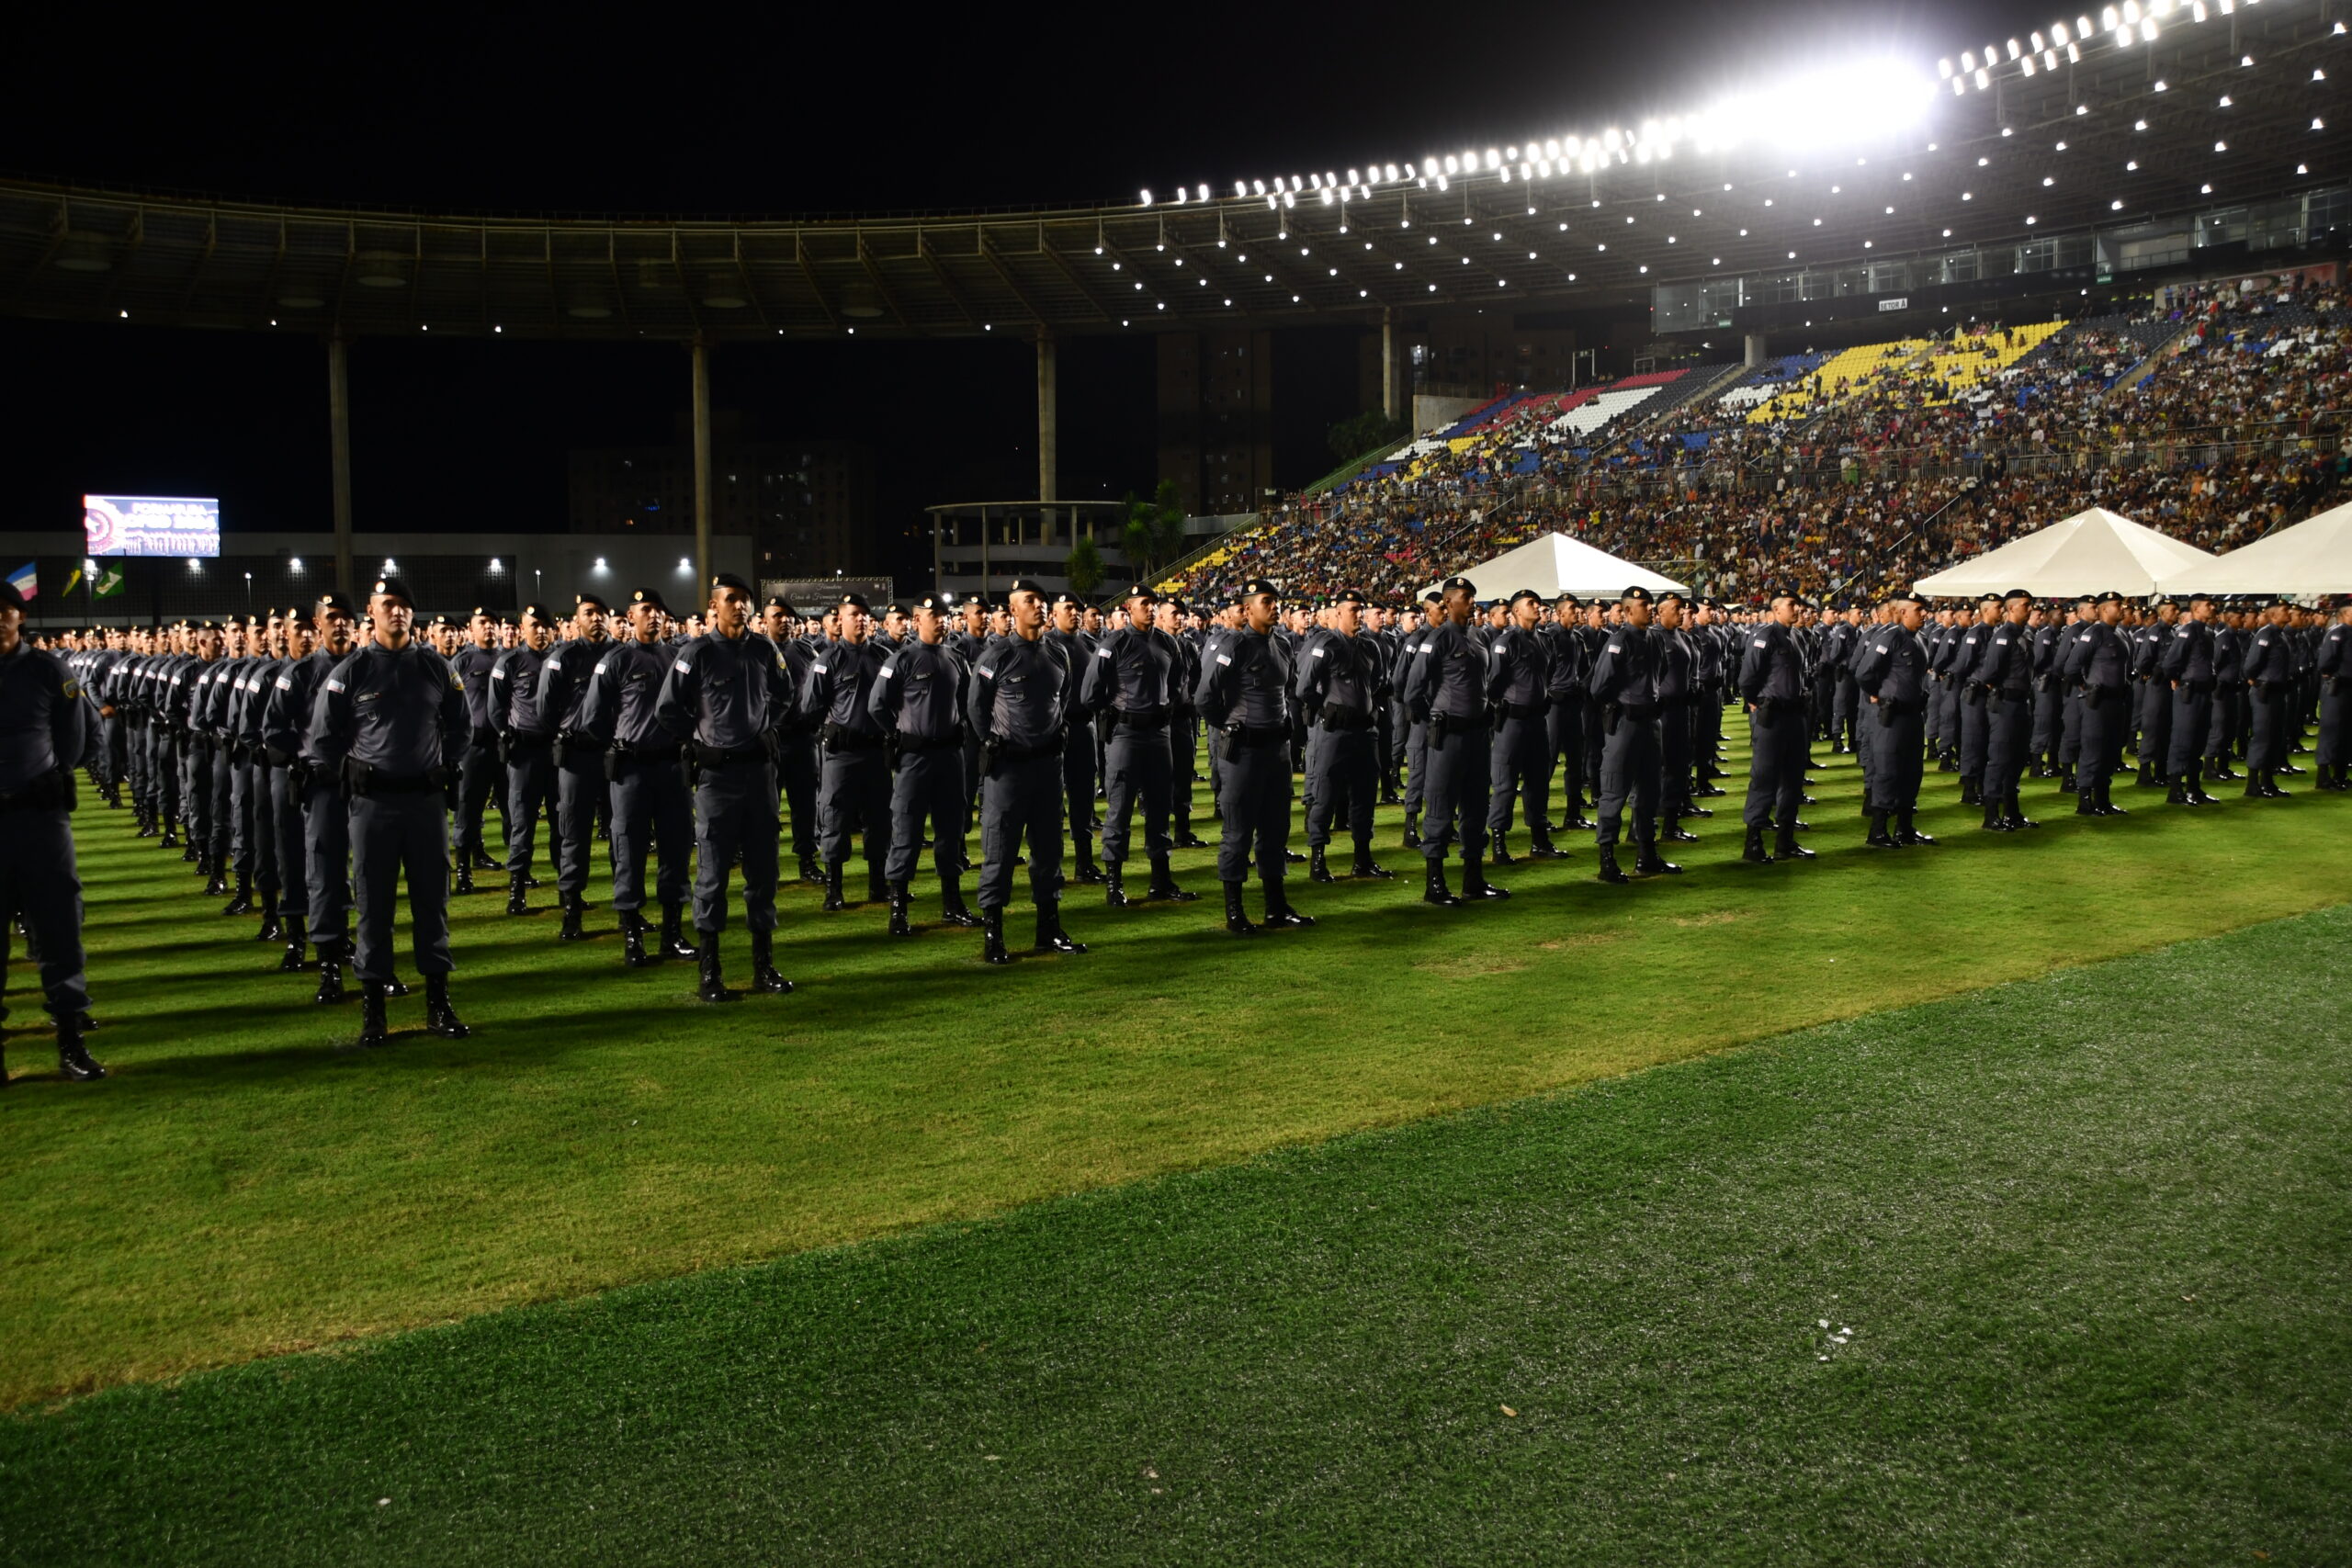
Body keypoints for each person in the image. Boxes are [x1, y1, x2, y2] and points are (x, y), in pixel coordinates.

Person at [306, 576, 471, 1049]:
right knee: (373, 906)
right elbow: (322, 739)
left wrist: (445, 763)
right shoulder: (351, 672)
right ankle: (373, 1009)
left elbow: (463, 727)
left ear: (411, 614)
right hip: (373, 806)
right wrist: (348, 770)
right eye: (387, 605)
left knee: (431, 903)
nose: (396, 612)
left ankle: (438, 1003)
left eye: (403, 605)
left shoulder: (437, 667)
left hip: (424, 802)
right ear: (371, 614)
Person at [654, 573, 793, 1002]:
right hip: (718, 778)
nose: (739, 606)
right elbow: (667, 709)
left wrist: (766, 727)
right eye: (730, 599)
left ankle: (763, 965)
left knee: (763, 872)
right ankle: (710, 971)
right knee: (712, 875)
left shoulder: (764, 648)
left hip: (759, 776)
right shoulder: (695, 653)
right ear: (714, 606)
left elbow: (784, 695)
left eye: (745, 599)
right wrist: (699, 742)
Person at [0, 577, 105, 1085]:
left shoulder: (48, 670)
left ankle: (71, 1040)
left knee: (59, 927)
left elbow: (81, 737)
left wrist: (51, 775)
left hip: (39, 819)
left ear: (19, 617)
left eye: (5, 610)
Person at [966, 578, 1087, 962]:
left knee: (1049, 850)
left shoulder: (1058, 655)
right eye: (1028, 600)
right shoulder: (996, 656)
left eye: (1041, 600)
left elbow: (1062, 700)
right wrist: (993, 742)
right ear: (1013, 610)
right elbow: (976, 709)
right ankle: (993, 935)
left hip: (1048, 768)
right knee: (999, 850)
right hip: (1009, 770)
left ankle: (1047, 929)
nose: (1038, 605)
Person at [579, 588, 698, 967]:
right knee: (628, 850)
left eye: (658, 610)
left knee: (676, 849)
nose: (653, 615)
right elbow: (593, 717)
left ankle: (672, 933)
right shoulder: (617, 659)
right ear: (630, 617)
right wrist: (621, 740)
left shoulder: (678, 657)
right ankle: (631, 935)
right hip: (631, 769)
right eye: (644, 609)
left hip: (672, 768)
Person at [866, 592, 980, 936]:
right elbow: (877, 706)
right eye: (935, 616)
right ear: (917, 622)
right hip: (914, 757)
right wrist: (898, 734)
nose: (943, 621)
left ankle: (952, 904)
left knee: (951, 830)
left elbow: (967, 703)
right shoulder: (900, 660)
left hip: (949, 756)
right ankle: (898, 909)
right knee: (907, 831)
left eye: (946, 616)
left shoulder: (956, 659)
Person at [1081, 585, 1197, 907]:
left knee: (1160, 808)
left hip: (1159, 735)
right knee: (1119, 809)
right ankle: (1115, 883)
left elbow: (1176, 684)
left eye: (1153, 604)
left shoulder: (1168, 642)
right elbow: (1090, 693)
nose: (1150, 608)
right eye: (1144, 604)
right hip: (1127, 735)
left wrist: (1162, 705)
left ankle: (1161, 880)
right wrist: (1118, 710)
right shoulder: (1114, 643)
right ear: (1129, 608)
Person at [1403, 577, 1508, 906]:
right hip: (1448, 736)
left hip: (1477, 735)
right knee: (1440, 807)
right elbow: (1412, 692)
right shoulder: (1437, 638)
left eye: (1473, 596)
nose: (1472, 601)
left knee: (1477, 807)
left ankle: (1473, 880)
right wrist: (1436, 719)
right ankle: (1435, 884)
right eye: (1465, 597)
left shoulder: (1478, 637)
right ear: (1448, 603)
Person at [1294, 588, 1393, 884]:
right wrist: (1328, 711)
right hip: (1334, 732)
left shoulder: (1371, 647)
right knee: (1324, 796)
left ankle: (1362, 859)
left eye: (1361, 609)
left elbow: (1376, 683)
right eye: (1353, 609)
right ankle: (1318, 861)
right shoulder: (1325, 643)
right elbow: (1304, 689)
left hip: (1364, 731)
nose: (1359, 614)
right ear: (1338, 613)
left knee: (1364, 795)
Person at [802, 592, 894, 912]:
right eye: (854, 613)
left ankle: (878, 885)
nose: (861, 619)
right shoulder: (826, 661)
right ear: (840, 619)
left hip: (876, 753)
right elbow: (811, 707)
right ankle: (834, 888)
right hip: (842, 754)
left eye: (865, 614)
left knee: (880, 819)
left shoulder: (884, 656)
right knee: (835, 818)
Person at [534, 594, 613, 941]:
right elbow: (544, 711)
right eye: (588, 614)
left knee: (623, 836)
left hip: (617, 756)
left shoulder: (620, 655)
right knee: (574, 833)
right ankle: (572, 909)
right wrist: (571, 733)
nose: (595, 619)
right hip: (578, 757)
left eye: (600, 613)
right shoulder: (563, 657)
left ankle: (627, 910)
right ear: (576, 620)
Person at [1586, 586, 1672, 884]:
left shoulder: (1655, 639)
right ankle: (1607, 859)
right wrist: (1622, 704)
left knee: (1649, 793)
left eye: (1650, 604)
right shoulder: (1618, 641)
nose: (1650, 608)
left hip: (1650, 724)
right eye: (1644, 604)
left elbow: (1661, 673)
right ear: (1626, 611)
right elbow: (1598, 687)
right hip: (1625, 724)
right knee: (1614, 792)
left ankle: (1647, 855)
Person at [491, 604, 560, 914]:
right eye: (534, 625)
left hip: (559, 752)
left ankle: (567, 890)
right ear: (523, 628)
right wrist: (510, 736)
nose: (540, 630)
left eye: (545, 625)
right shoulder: (510, 661)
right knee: (523, 822)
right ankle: (517, 890)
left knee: (563, 823)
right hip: (525, 752)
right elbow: (496, 710)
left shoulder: (563, 658)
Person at [1852, 590, 1934, 848]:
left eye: (1924, 610)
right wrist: (1878, 694)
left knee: (1912, 771)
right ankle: (1878, 831)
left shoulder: (1919, 638)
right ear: (1901, 612)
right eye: (1918, 610)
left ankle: (1905, 828)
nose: (1924, 614)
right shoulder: (1889, 637)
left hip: (1912, 714)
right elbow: (1864, 672)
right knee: (1888, 770)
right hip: (1892, 715)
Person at [1483, 588, 1558, 864]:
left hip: (1537, 720)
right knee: (1505, 784)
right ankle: (1499, 844)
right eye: (1530, 604)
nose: (1537, 607)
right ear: (1516, 612)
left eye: (1538, 603)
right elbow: (1494, 682)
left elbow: (1547, 675)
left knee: (1538, 782)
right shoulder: (1506, 642)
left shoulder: (1545, 640)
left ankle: (1540, 840)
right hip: (1512, 721)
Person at [1738, 592, 1813, 863]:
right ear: (1777, 609)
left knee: (1793, 780)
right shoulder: (1766, 635)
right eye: (1792, 605)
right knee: (1764, 779)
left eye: (1798, 605)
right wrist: (1755, 701)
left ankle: (1785, 841)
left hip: (1794, 717)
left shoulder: (1796, 636)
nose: (1798, 609)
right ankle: (1754, 842)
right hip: (1773, 717)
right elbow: (1747, 678)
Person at [1972, 590, 2040, 832]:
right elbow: (1989, 673)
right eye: (2025, 605)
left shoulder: (2024, 635)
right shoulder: (2002, 636)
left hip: (2021, 703)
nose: (2030, 609)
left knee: (2018, 758)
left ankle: (2012, 812)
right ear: (2012, 608)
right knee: (2000, 759)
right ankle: (1991, 816)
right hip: (2005, 704)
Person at [448, 607, 506, 893]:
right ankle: (463, 871)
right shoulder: (462, 661)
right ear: (471, 629)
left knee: (514, 810)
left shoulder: (510, 657)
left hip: (506, 745)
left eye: (493, 622)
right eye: (482, 623)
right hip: (475, 746)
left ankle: (520, 873)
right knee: (468, 808)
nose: (488, 627)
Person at [2061, 591, 2132, 817]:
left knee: (2110, 752)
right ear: (2103, 609)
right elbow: (2071, 666)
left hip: (2116, 701)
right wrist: (2086, 686)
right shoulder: (2094, 633)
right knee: (2093, 751)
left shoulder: (2119, 634)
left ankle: (2103, 800)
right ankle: (2085, 802)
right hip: (2097, 702)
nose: (2122, 608)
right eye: (2117, 605)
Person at [2160, 592, 2222, 806]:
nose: (2213, 607)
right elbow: (2171, 663)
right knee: (2183, 741)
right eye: (2208, 605)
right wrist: (2176, 679)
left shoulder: (2206, 632)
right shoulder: (2188, 630)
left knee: (2198, 742)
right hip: (2189, 692)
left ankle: (2194, 788)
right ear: (2196, 609)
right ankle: (2176, 790)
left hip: (2203, 692)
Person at [2243, 599, 2299, 798]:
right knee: (2263, 737)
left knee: (2274, 737)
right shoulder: (2266, 634)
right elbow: (2251, 665)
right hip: (2264, 693)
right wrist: (2254, 681)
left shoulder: (2279, 635)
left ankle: (2267, 782)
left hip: (2276, 692)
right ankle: (2253, 785)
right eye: (2285, 610)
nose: (2289, 612)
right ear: (2274, 614)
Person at [2314, 598, 2351, 791]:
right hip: (2336, 688)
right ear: (2345, 614)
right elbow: (2325, 663)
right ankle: (2323, 777)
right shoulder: (2336, 632)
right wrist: (2334, 675)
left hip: (2348, 688)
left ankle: (2340, 775)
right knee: (2332, 731)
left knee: (2345, 733)